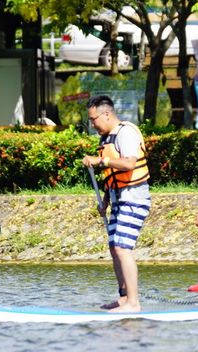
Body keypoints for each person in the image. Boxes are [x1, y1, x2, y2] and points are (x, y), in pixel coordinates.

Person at [81, 95, 151, 313]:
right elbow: (112, 175)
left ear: (107, 114)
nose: (93, 124)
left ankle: (133, 303)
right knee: (114, 248)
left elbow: (129, 163)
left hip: (133, 199)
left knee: (122, 247)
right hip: (118, 199)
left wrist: (100, 160)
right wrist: (104, 201)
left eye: (94, 119)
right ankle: (123, 298)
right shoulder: (106, 138)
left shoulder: (125, 132)